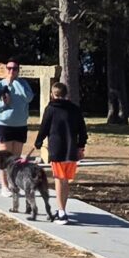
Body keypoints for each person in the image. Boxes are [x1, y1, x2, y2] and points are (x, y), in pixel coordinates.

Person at [35, 79, 88, 221]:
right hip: (71, 151)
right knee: (65, 181)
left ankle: (61, 211)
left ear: (53, 94)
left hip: (57, 150)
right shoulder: (75, 109)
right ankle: (62, 208)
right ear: (66, 94)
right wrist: (81, 146)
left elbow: (44, 128)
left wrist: (38, 142)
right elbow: (82, 130)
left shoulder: (51, 109)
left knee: (59, 180)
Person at [0, 58, 35, 176]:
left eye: (14, 69)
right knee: (4, 159)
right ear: (5, 69)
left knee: (16, 159)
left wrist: (16, 83)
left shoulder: (23, 84)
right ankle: (5, 187)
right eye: (9, 68)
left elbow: (29, 98)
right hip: (4, 125)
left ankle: (14, 184)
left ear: (18, 70)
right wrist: (3, 104)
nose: (11, 71)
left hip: (20, 125)